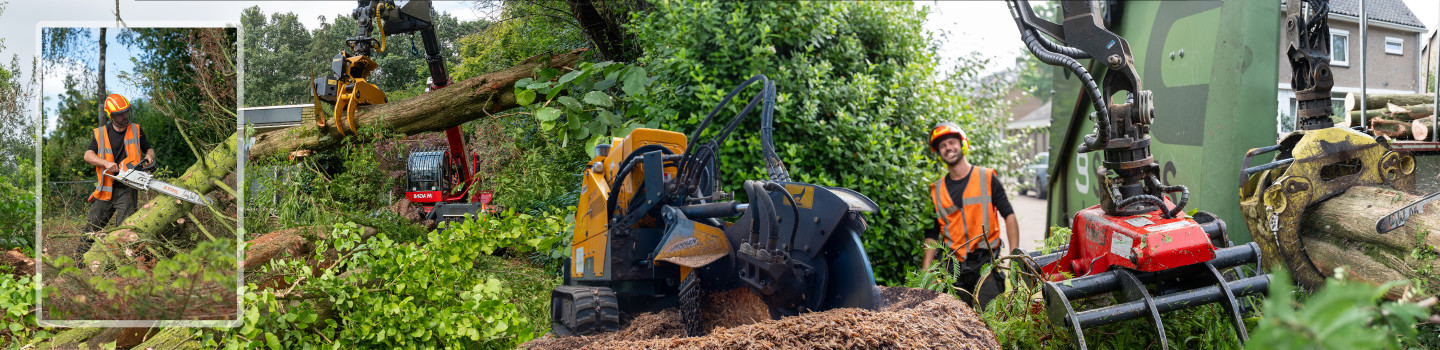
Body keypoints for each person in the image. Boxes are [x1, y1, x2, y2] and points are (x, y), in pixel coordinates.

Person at [921, 122, 1020, 309]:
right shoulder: (936, 190)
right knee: (955, 327)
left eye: (952, 142)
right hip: (953, 269)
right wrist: (926, 273)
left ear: (963, 144)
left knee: (991, 322)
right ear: (938, 152)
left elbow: (1009, 215)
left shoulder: (987, 177)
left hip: (986, 264)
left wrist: (1014, 257)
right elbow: (932, 234)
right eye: (942, 145)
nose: (948, 148)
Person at [80, 94, 155, 246]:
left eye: (126, 112)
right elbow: (88, 155)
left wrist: (149, 157)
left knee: (124, 232)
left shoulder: (136, 129)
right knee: (91, 229)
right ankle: (79, 261)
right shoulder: (101, 133)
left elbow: (149, 149)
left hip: (128, 188)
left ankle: (119, 264)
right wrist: (106, 163)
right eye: (120, 113)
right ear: (112, 115)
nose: (124, 116)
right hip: (105, 188)